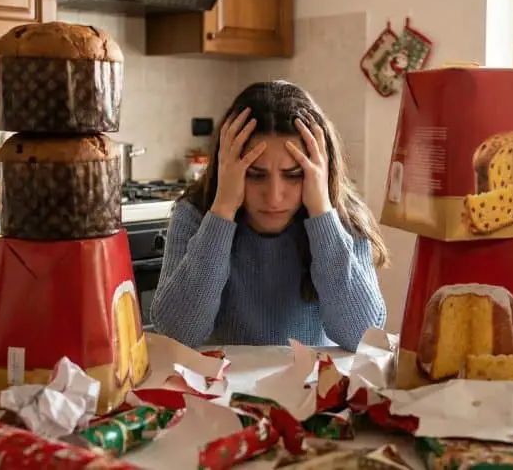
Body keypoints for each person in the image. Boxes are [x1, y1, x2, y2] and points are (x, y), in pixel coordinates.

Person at [150, 80, 389, 351]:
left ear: (321, 171)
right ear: (226, 168)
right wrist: (222, 212)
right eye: (255, 174)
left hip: (312, 388)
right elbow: (176, 333)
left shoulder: (345, 217)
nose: (274, 197)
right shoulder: (194, 215)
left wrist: (322, 214)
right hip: (219, 388)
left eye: (294, 175)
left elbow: (363, 336)